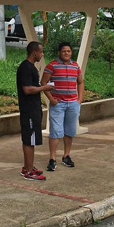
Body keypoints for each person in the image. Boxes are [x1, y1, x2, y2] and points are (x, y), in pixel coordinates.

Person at [42, 42, 84, 171]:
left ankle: (66, 156)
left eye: (69, 51)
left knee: (70, 131)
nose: (66, 53)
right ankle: (52, 158)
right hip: (58, 104)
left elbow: (80, 82)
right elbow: (43, 83)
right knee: (55, 132)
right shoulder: (52, 66)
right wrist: (51, 99)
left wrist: (80, 99)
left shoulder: (75, 66)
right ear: (59, 52)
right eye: (64, 51)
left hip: (72, 103)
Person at [16, 41, 55, 181]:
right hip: (29, 111)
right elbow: (27, 89)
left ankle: (29, 166)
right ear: (34, 53)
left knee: (31, 139)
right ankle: (28, 171)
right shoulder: (25, 68)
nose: (42, 54)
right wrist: (44, 88)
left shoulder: (31, 67)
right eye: (41, 52)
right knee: (29, 140)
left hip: (33, 109)